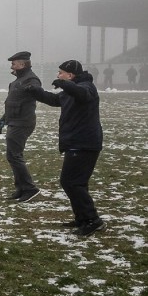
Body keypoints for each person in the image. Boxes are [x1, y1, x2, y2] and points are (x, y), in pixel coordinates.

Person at [26, 60, 105, 236]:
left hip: (84, 144)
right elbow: (55, 99)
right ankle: (82, 218)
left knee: (71, 182)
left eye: (61, 73)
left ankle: (93, 220)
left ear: (70, 75)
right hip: (76, 142)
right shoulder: (70, 91)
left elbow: (82, 94)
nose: (58, 75)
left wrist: (64, 85)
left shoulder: (86, 87)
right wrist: (35, 91)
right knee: (76, 183)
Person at [0, 51, 42, 203]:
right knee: (13, 155)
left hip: (22, 123)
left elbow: (36, 88)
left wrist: (32, 89)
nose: (12, 66)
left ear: (22, 64)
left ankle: (30, 188)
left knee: (15, 156)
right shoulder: (18, 80)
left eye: (14, 63)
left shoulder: (30, 79)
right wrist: (4, 118)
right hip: (14, 121)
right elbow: (12, 102)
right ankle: (21, 188)